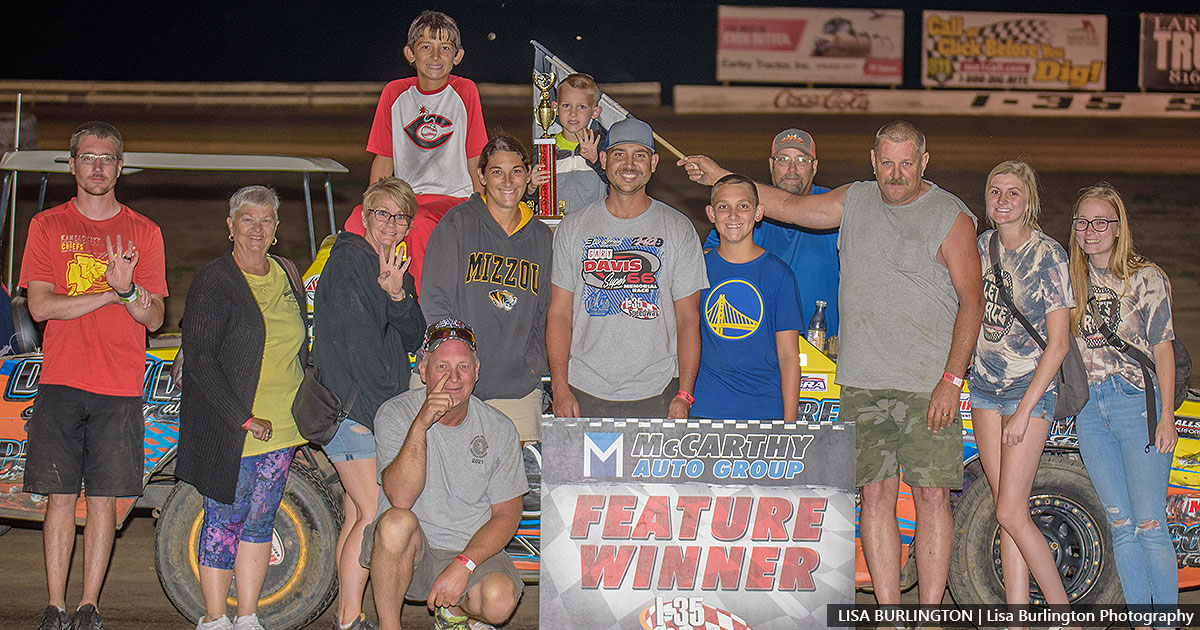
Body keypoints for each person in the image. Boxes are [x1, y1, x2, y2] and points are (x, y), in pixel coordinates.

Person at [682, 121, 982, 609]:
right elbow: (788, 206)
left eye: (907, 163)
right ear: (872, 160)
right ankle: (888, 610)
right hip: (862, 381)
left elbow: (973, 301)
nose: (897, 173)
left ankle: (927, 613)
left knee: (931, 498)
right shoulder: (856, 200)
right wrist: (723, 174)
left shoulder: (950, 215)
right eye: (887, 162)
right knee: (876, 497)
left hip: (927, 385)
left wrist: (952, 379)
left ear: (924, 162)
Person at [20, 121, 167, 630]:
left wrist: (130, 294)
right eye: (88, 157)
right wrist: (110, 291)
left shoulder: (144, 232)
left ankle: (88, 607)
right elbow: (40, 307)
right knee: (60, 496)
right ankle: (54, 605)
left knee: (103, 499)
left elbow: (154, 318)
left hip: (118, 385)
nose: (98, 167)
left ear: (119, 167)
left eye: (107, 158)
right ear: (73, 165)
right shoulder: (47, 227)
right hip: (62, 380)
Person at [179, 186, 309, 630]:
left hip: (284, 428)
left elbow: (300, 346)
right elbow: (199, 359)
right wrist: (243, 417)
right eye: (247, 219)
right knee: (224, 521)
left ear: (276, 230)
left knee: (260, 521)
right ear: (230, 226)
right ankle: (215, 618)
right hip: (233, 428)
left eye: (266, 220)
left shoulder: (287, 274)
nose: (257, 228)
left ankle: (248, 616)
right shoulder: (214, 281)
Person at [313, 178, 426, 630]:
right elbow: (354, 351)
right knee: (372, 508)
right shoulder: (347, 261)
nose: (391, 224)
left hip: (370, 411)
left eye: (401, 217)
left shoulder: (393, 268)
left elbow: (416, 335)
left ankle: (348, 614)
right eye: (383, 213)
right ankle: (349, 617)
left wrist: (397, 293)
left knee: (360, 512)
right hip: (355, 412)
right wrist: (381, 418)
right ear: (364, 216)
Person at [367, 318, 526, 630]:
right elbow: (400, 497)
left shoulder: (499, 427)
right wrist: (421, 424)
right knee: (396, 521)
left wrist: (464, 565)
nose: (453, 378)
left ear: (477, 371)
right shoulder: (394, 413)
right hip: (412, 553)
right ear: (424, 370)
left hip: (471, 550)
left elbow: (508, 513)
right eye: (442, 366)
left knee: (499, 600)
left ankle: (454, 612)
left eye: (463, 367)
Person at [547, 116, 707, 420]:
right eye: (619, 154)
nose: (629, 164)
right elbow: (559, 313)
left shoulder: (678, 229)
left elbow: (688, 318)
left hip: (657, 391)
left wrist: (684, 394)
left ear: (654, 162)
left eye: (640, 155)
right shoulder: (574, 227)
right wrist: (560, 388)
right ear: (604, 159)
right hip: (583, 390)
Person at [1069, 184, 1178, 627]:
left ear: (1118, 228)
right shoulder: (1069, 278)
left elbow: (1164, 350)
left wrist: (1166, 415)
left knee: (1151, 525)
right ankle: (1140, 620)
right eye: (1082, 222)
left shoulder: (1146, 277)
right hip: (1091, 411)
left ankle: (1167, 620)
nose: (1091, 231)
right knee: (1121, 526)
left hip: (1138, 405)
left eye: (1101, 223)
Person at [968, 162, 1074, 619]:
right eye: (995, 191)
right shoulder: (980, 246)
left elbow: (1060, 343)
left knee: (1012, 511)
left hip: (1028, 394)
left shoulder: (1048, 254)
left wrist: (1024, 410)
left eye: (1014, 192)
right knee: (1003, 510)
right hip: (984, 391)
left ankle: (1064, 616)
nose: (1003, 200)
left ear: (1029, 200)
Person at [421, 134, 552, 443]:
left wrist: (534, 365)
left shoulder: (542, 237)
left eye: (516, 170)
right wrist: (454, 365)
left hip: (516, 388)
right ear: (481, 176)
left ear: (527, 173)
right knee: (448, 480)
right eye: (496, 171)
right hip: (455, 382)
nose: (507, 180)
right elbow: (435, 301)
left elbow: (547, 311)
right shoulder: (459, 223)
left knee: (515, 483)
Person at [345, 10, 487, 295]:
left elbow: (475, 158)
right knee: (356, 221)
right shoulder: (394, 94)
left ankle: (420, 312)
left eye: (445, 48)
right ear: (410, 53)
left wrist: (481, 209)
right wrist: (373, 208)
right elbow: (384, 159)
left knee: (418, 225)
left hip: (452, 199)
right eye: (426, 47)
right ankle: (364, 299)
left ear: (457, 56)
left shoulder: (464, 91)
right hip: (406, 199)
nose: (435, 56)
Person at [695, 128, 840, 336]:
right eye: (783, 159)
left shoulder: (832, 210)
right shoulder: (745, 213)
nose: (792, 168)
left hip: (823, 343)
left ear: (814, 167)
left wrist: (720, 176)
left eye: (801, 160)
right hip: (764, 347)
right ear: (771, 165)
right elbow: (709, 265)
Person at [692, 173, 801, 421]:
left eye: (743, 206)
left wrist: (790, 425)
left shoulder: (779, 274)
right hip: (705, 409)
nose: (733, 215)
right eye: (723, 207)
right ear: (711, 214)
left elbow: (788, 356)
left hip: (765, 410)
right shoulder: (697, 268)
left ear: (758, 212)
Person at [550, 72, 607, 214]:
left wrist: (595, 161)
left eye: (581, 107)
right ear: (555, 108)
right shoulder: (546, 146)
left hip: (593, 226)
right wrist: (531, 186)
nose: (573, 113)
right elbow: (532, 195)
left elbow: (616, 185)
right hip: (556, 228)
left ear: (595, 112)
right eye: (566, 105)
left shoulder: (602, 144)